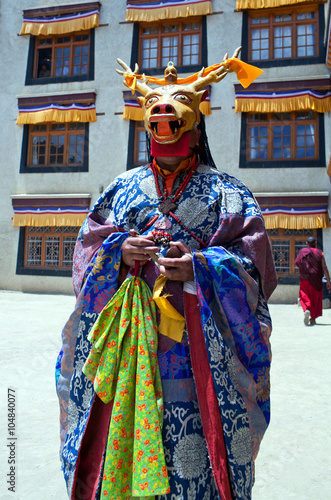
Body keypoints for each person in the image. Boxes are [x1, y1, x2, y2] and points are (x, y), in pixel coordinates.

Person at [56, 51, 277, 500]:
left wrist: (199, 266)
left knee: (194, 459)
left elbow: (255, 266)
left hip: (199, 358)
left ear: (194, 129)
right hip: (130, 352)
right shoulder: (122, 188)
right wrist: (118, 252)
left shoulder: (227, 192)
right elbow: (86, 250)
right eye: (155, 120)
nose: (165, 125)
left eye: (175, 118)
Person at [294, 236, 331, 326]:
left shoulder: (303, 251)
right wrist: (328, 281)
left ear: (307, 244)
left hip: (305, 277)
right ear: (315, 243)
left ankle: (306, 309)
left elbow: (297, 263)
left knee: (304, 294)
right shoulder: (320, 253)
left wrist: (304, 270)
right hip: (317, 278)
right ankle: (313, 319)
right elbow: (324, 267)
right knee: (315, 298)